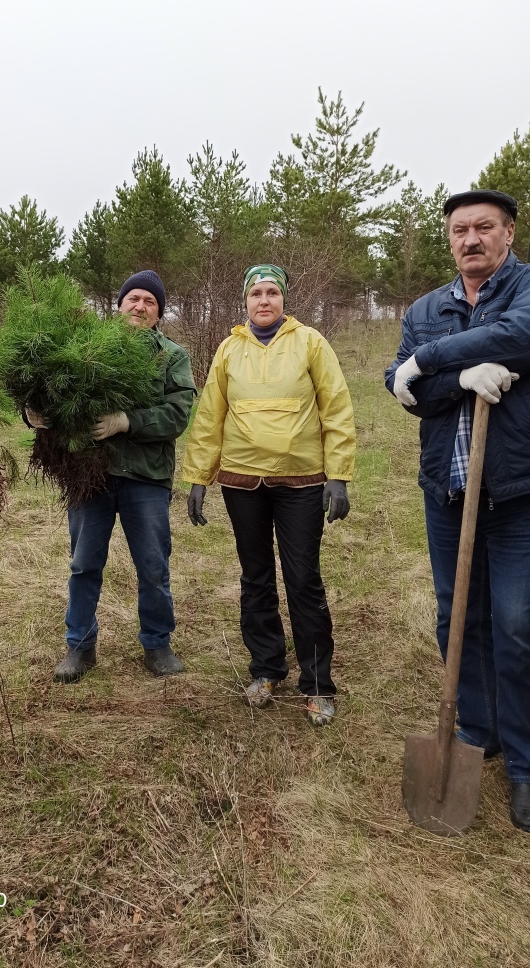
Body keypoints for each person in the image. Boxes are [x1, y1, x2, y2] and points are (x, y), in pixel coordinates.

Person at [386, 189, 530, 834]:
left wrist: (428, 360)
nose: (472, 239)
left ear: (509, 233)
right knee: (459, 615)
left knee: (516, 621)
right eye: (460, 230)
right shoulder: (428, 307)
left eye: (485, 227)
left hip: (524, 495)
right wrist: (455, 378)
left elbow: (522, 334)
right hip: (449, 494)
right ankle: (479, 733)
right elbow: (403, 388)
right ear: (449, 239)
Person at [182, 264, 356, 722]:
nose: (264, 300)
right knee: (255, 576)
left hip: (301, 481)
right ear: (245, 301)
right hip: (242, 482)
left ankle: (318, 683)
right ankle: (265, 667)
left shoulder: (310, 343)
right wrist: (199, 477)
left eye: (272, 292)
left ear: (284, 300)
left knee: (303, 579)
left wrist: (338, 474)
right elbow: (209, 417)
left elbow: (336, 407)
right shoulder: (228, 350)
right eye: (256, 293)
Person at [28, 269, 196, 682]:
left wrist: (127, 421)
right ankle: (80, 647)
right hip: (91, 476)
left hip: (146, 478)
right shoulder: (85, 347)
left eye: (150, 302)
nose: (140, 306)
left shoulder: (171, 356)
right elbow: (50, 387)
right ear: (118, 305)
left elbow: (178, 414)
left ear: (158, 314)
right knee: (84, 563)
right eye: (133, 299)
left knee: (153, 565)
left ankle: (157, 645)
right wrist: (32, 414)